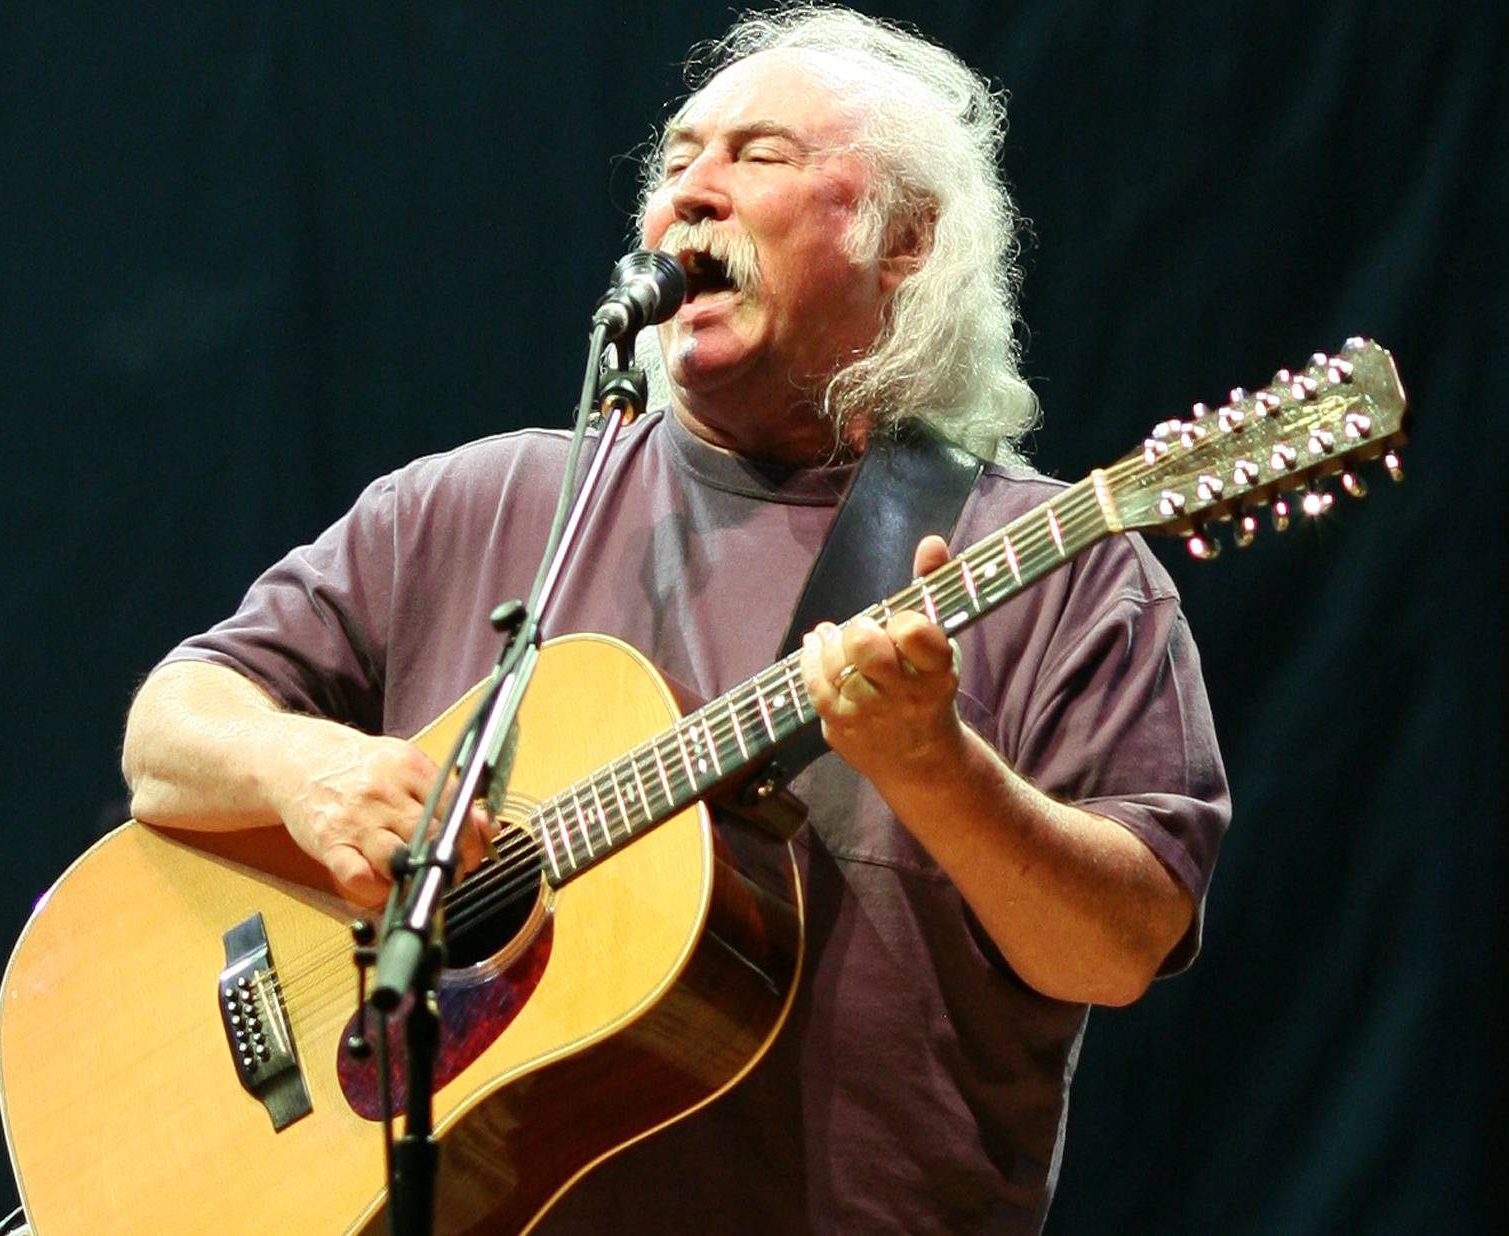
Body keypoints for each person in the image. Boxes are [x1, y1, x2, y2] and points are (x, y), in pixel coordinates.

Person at [122, 7, 1228, 1232]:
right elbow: (168, 735)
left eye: (758, 157)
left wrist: (937, 767)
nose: (690, 194)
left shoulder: (1054, 569)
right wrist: (302, 763)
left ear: (904, 240)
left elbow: (1117, 947)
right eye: (675, 159)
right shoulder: (475, 504)